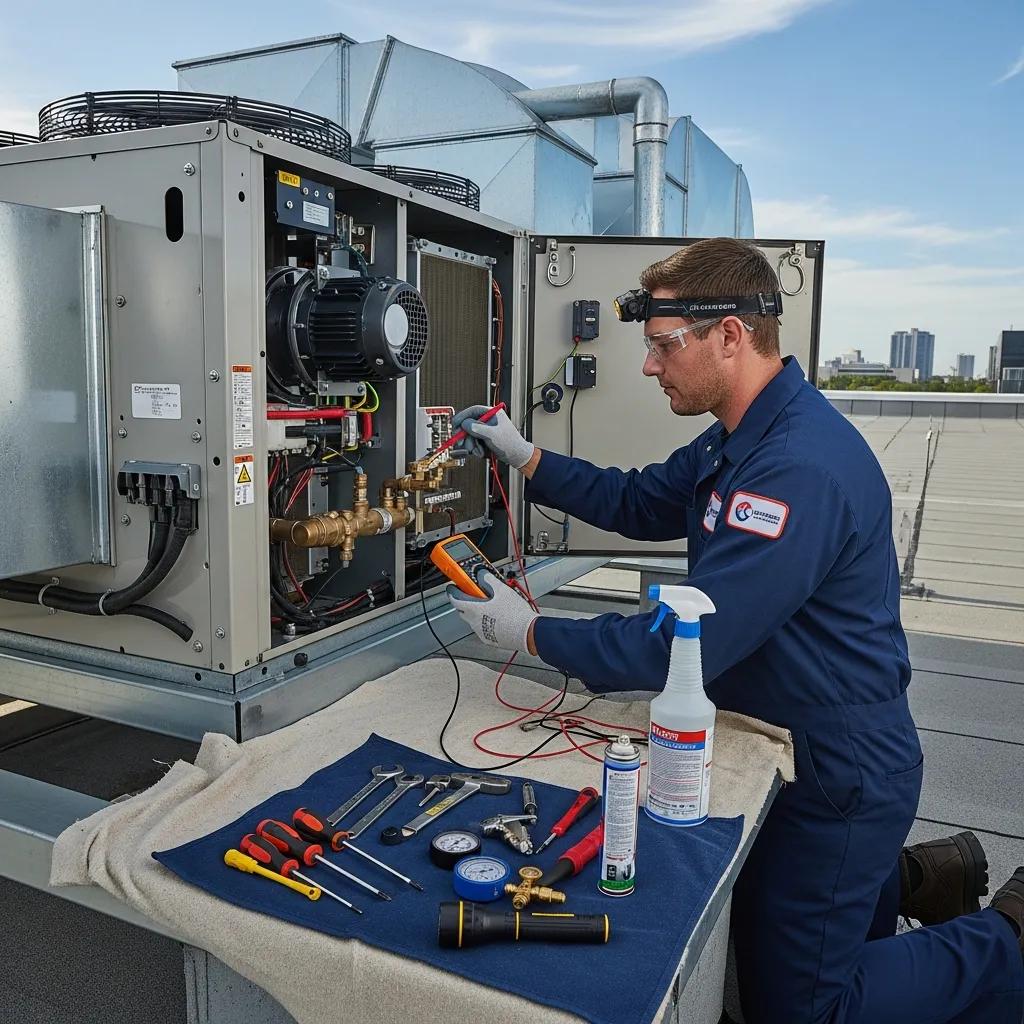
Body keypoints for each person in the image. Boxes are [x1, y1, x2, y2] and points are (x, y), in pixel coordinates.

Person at [447, 237, 1024, 1024]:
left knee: (805, 1005)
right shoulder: (743, 433)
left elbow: (677, 644)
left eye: (663, 346)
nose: (650, 367)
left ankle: (1006, 941)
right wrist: (525, 455)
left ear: (730, 334)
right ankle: (920, 879)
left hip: (837, 770)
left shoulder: (796, 468)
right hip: (793, 740)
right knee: (800, 930)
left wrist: (532, 634)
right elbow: (638, 500)